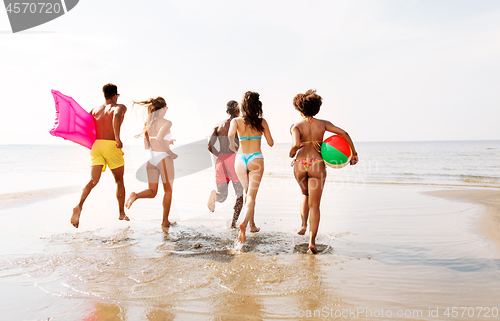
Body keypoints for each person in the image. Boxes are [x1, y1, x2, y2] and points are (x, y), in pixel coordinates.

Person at [289, 89, 358, 253]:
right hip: (317, 164)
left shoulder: (296, 126)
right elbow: (345, 133)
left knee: (304, 194)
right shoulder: (323, 123)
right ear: (317, 108)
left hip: (300, 163)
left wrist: (292, 153)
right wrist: (353, 153)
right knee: (315, 205)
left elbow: (295, 145)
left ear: (299, 109)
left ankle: (303, 224)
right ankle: (312, 242)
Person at [71, 83, 128, 228]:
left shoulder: (95, 109)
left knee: (93, 180)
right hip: (111, 145)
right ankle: (121, 213)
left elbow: (85, 125)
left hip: (96, 146)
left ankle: (79, 206)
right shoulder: (119, 107)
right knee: (119, 180)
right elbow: (116, 116)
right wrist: (117, 137)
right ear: (115, 95)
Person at [125, 97, 177, 229]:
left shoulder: (148, 123)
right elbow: (159, 139)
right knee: (168, 192)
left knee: (152, 191)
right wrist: (170, 153)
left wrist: (167, 141)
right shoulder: (167, 122)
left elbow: (147, 146)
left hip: (151, 159)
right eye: (166, 108)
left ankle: (135, 195)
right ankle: (165, 221)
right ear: (163, 107)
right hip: (163, 158)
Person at [228, 91, 274, 244]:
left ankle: (252, 225)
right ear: (257, 106)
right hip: (255, 158)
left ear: (243, 106)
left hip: (240, 159)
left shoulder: (236, 121)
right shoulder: (262, 122)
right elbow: (271, 142)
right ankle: (244, 223)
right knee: (251, 196)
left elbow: (230, 135)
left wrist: (232, 143)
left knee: (248, 194)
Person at [207, 100, 245, 228]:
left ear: (227, 111)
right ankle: (233, 224)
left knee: (222, 195)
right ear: (238, 111)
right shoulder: (239, 124)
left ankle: (214, 197)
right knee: (239, 194)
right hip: (235, 159)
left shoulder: (218, 125)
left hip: (221, 160)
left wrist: (220, 156)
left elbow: (210, 146)